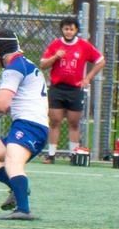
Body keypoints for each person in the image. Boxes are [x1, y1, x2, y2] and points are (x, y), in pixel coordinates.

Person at [0, 28, 46, 220]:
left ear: (2, 49)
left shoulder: (13, 68)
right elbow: (12, 102)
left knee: (13, 162)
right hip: (28, 126)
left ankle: (23, 210)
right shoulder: (23, 64)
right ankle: (18, 187)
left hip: (29, 126)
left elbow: (3, 103)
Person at [36, 16, 101, 162]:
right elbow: (43, 64)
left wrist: (87, 78)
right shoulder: (55, 45)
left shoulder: (84, 45)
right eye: (66, 29)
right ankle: (51, 155)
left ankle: (74, 155)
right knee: (55, 121)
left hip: (74, 89)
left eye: (71, 29)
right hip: (57, 88)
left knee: (74, 122)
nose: (69, 32)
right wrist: (55, 57)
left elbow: (100, 61)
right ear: (62, 30)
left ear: (76, 30)